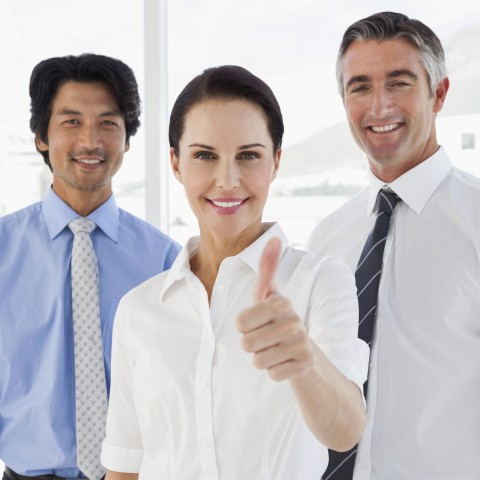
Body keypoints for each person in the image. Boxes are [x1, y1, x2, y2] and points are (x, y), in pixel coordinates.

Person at [100, 65, 369, 479]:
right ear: (175, 162)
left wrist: (303, 357)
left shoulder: (318, 282)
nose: (227, 180)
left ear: (276, 161)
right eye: (205, 155)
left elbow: (345, 431)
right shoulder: (139, 310)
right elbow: (126, 465)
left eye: (249, 155)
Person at [307, 11, 480, 480]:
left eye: (399, 83)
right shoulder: (327, 238)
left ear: (438, 93)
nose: (378, 106)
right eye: (359, 87)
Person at [0, 54, 180, 479]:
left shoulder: (165, 261)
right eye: (71, 122)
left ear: (127, 140)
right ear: (41, 137)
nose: (90, 141)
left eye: (107, 123)